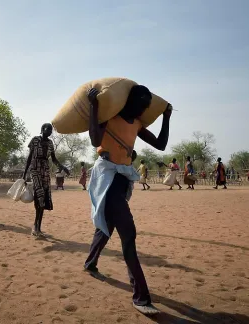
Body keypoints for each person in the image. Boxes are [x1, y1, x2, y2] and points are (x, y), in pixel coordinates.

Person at [84, 85, 172, 316]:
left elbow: (161, 145)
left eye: (145, 106)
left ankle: (90, 262)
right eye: (139, 104)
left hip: (123, 180)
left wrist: (166, 117)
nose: (142, 109)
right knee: (128, 233)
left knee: (108, 225)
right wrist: (94, 107)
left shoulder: (138, 124)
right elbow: (95, 139)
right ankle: (141, 296)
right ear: (128, 102)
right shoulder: (109, 117)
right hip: (107, 178)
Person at [22, 123, 69, 237]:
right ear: (42, 129)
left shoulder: (50, 143)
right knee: (39, 195)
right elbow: (29, 157)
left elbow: (53, 159)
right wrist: (24, 174)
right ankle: (35, 226)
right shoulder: (35, 140)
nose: (49, 131)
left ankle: (38, 227)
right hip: (35, 169)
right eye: (48, 129)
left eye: (51, 130)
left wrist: (62, 167)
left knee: (43, 200)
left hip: (45, 171)